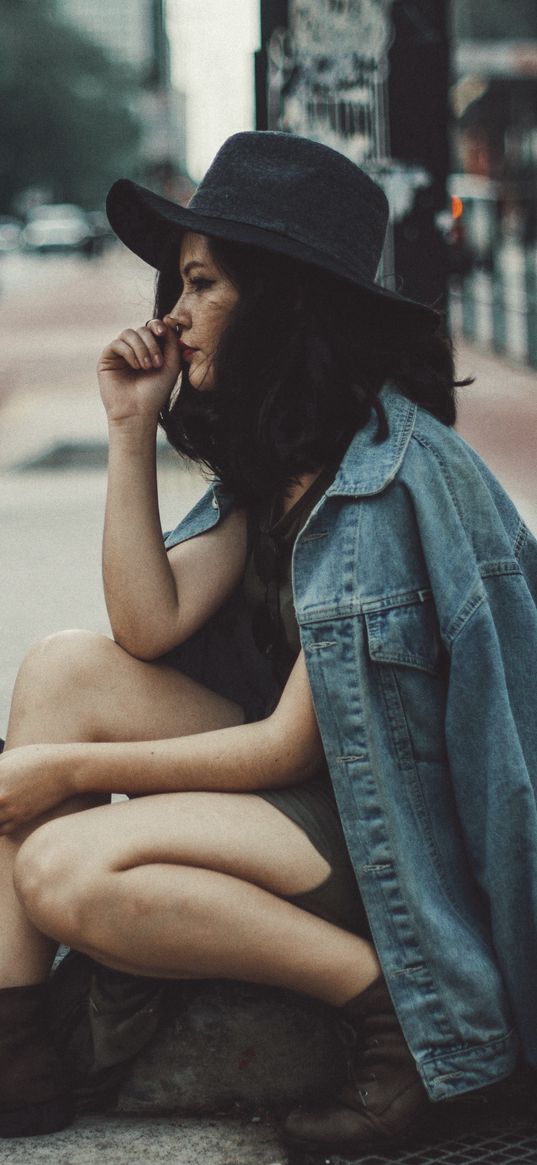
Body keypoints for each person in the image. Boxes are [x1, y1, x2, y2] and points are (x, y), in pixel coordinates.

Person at [0, 131, 536, 1152]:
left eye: (201, 284)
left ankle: (407, 1020)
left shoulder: (385, 478)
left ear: (281, 300)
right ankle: (14, 1041)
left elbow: (294, 746)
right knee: (61, 668)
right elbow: (143, 625)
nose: (174, 312)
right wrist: (128, 430)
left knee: (65, 869)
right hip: (315, 804)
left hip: (389, 833)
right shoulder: (283, 461)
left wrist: (59, 769)